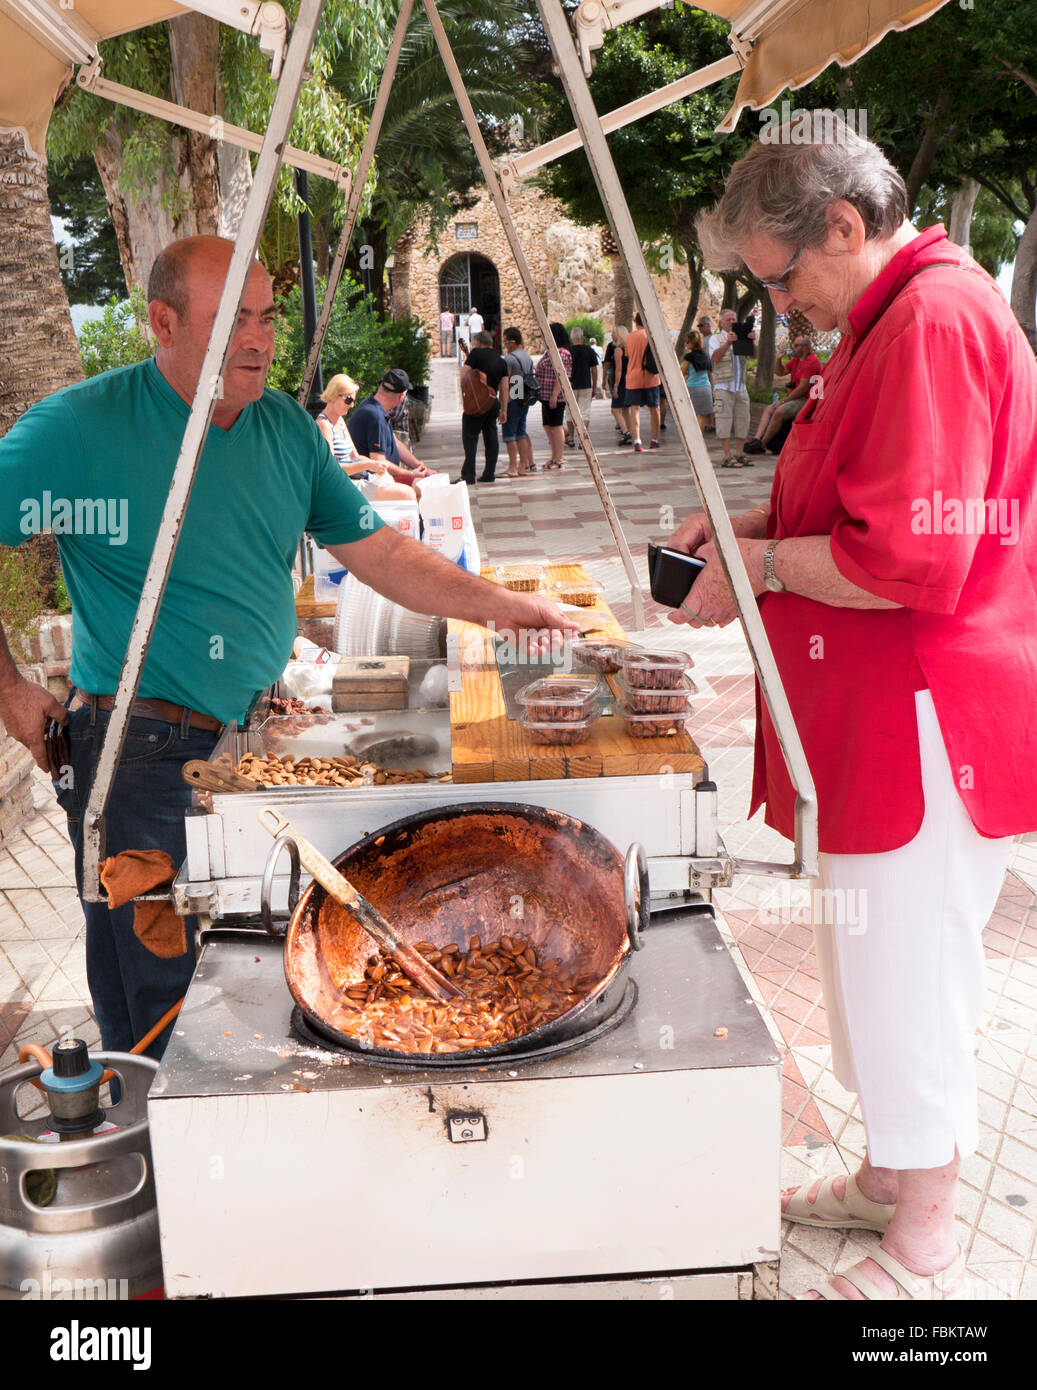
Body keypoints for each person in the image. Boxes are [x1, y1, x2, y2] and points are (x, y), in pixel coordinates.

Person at [0, 236, 578, 1064]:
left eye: (268, 316)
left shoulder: (283, 429)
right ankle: (162, 1177)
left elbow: (379, 553)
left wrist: (505, 609)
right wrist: (15, 696)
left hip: (252, 741)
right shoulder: (83, 428)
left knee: (249, 991)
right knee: (163, 1015)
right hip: (136, 760)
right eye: (233, 317)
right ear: (162, 323)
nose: (260, 338)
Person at [666, 119, 1037, 1302]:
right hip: (884, 705)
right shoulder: (894, 314)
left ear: (844, 226)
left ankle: (925, 1233)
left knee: (901, 965)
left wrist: (761, 569)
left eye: (782, 279)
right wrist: (744, 536)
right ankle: (890, 1169)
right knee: (860, 950)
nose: (782, 307)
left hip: (921, 707)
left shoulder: (928, 318)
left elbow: (902, 559)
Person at [316, 374, 417, 503]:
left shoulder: (339, 420)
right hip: (341, 487)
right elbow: (331, 468)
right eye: (348, 400)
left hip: (356, 480)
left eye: (353, 400)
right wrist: (367, 464)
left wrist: (376, 465)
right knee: (407, 494)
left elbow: (355, 456)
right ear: (334, 396)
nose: (352, 405)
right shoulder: (324, 425)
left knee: (407, 491)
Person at [346, 368, 435, 492]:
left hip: (380, 477)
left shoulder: (375, 407)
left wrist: (421, 468)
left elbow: (395, 443)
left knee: (426, 482)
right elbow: (378, 461)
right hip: (371, 482)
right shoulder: (375, 415)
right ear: (402, 397)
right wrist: (410, 474)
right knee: (424, 487)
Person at [743, 334, 823, 453]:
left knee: (779, 411)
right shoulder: (797, 360)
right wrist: (778, 359)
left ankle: (763, 444)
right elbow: (780, 373)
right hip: (796, 397)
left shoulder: (810, 362)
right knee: (768, 409)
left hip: (806, 399)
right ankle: (757, 438)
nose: (793, 347)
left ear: (805, 348)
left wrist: (783, 401)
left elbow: (802, 388)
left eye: (796, 345)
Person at [459, 330, 508, 484]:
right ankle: (489, 473)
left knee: (470, 438)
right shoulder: (501, 360)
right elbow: (505, 388)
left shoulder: (475, 354)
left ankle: (468, 475)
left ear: (479, 342)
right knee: (491, 437)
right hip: (492, 402)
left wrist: (468, 391)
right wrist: (504, 409)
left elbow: (464, 376)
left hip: (477, 403)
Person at [708, 307, 754, 467]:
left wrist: (751, 340)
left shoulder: (742, 337)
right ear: (721, 322)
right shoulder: (716, 338)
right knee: (724, 420)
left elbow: (754, 356)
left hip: (740, 386)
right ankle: (727, 456)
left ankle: (740, 454)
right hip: (723, 386)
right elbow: (714, 358)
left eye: (734, 319)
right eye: (728, 320)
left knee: (743, 420)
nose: (732, 322)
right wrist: (728, 342)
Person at [534, 322, 573, 470]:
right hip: (546, 395)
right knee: (548, 425)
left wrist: (555, 395)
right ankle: (554, 456)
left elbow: (560, 374)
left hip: (554, 396)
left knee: (556, 426)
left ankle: (559, 458)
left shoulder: (561, 353)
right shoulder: (550, 351)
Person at [623, 313, 661, 453]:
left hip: (633, 377)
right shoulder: (651, 335)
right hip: (651, 377)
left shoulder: (629, 337)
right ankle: (654, 439)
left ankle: (637, 440)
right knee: (654, 408)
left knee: (635, 409)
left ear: (636, 322)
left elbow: (628, 355)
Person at [501, 326, 536, 478]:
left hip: (512, 399)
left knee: (510, 435)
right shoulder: (527, 357)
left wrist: (503, 406)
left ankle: (512, 467)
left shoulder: (509, 359)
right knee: (521, 433)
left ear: (512, 342)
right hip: (524, 399)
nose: (505, 345)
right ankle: (523, 466)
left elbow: (505, 382)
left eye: (505, 342)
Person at [564, 326, 601, 448]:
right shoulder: (589, 350)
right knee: (585, 413)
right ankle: (582, 439)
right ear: (582, 336)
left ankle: (570, 438)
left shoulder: (568, 351)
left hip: (571, 385)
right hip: (586, 385)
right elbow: (594, 370)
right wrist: (595, 386)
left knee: (570, 412)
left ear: (572, 338)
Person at [682, 331, 714, 433]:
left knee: (691, 416)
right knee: (702, 417)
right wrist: (712, 389)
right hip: (706, 388)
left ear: (692, 343)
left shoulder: (689, 357)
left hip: (693, 387)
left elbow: (682, 372)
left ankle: (692, 438)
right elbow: (710, 373)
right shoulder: (705, 355)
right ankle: (701, 439)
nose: (686, 344)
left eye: (687, 342)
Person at [604, 325, 631, 444]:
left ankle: (625, 432)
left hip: (621, 381)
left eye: (613, 333)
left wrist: (615, 385)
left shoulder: (618, 350)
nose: (611, 335)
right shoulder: (628, 348)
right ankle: (628, 431)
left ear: (618, 335)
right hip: (629, 380)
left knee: (615, 409)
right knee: (625, 409)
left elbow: (618, 369)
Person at [696, 316, 716, 432]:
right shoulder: (703, 340)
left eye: (701, 325)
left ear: (708, 325)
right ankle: (708, 422)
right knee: (708, 397)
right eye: (698, 326)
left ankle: (713, 422)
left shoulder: (712, 339)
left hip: (711, 372)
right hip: (705, 372)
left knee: (712, 396)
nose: (699, 328)